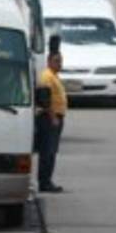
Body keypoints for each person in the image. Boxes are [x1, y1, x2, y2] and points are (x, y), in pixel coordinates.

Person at [36, 50, 67, 193]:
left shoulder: (54, 76)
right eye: (56, 61)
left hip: (55, 117)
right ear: (48, 61)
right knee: (48, 151)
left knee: (51, 151)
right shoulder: (47, 76)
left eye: (60, 61)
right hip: (49, 118)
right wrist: (53, 117)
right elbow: (44, 100)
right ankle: (45, 182)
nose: (59, 64)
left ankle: (47, 180)